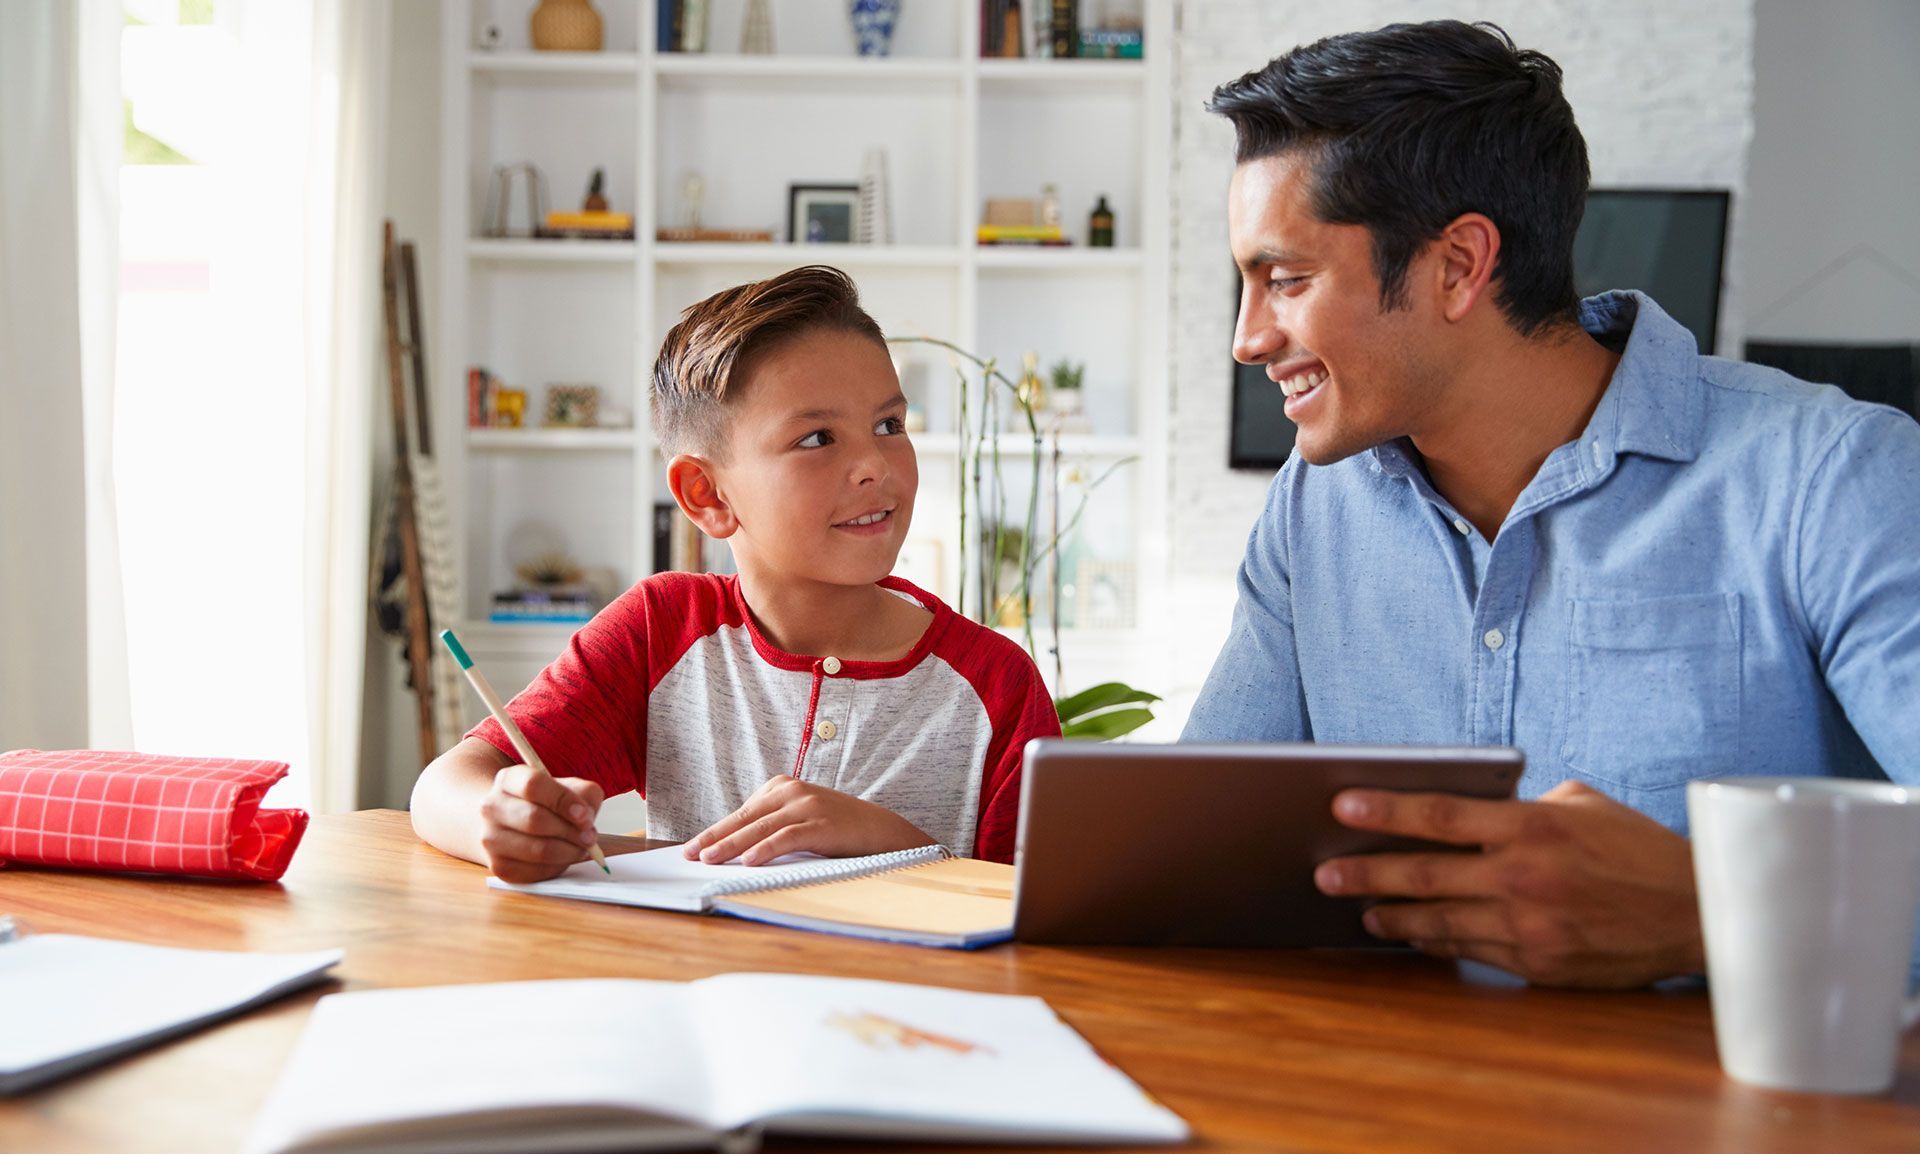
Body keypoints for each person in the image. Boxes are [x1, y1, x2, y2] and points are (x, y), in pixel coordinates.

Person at [1186, 20, 1920, 988]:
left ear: (1457, 265)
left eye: (1286, 281)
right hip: (1392, 1107)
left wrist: (1718, 915)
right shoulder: (1314, 506)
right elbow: (1196, 855)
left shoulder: (1831, 475)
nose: (1248, 338)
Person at [411, 266, 1059, 882]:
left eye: (889, 424)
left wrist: (888, 843)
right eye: (817, 439)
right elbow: (446, 785)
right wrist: (498, 821)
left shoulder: (996, 687)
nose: (875, 465)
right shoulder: (659, 631)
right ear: (706, 495)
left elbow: (1043, 915)